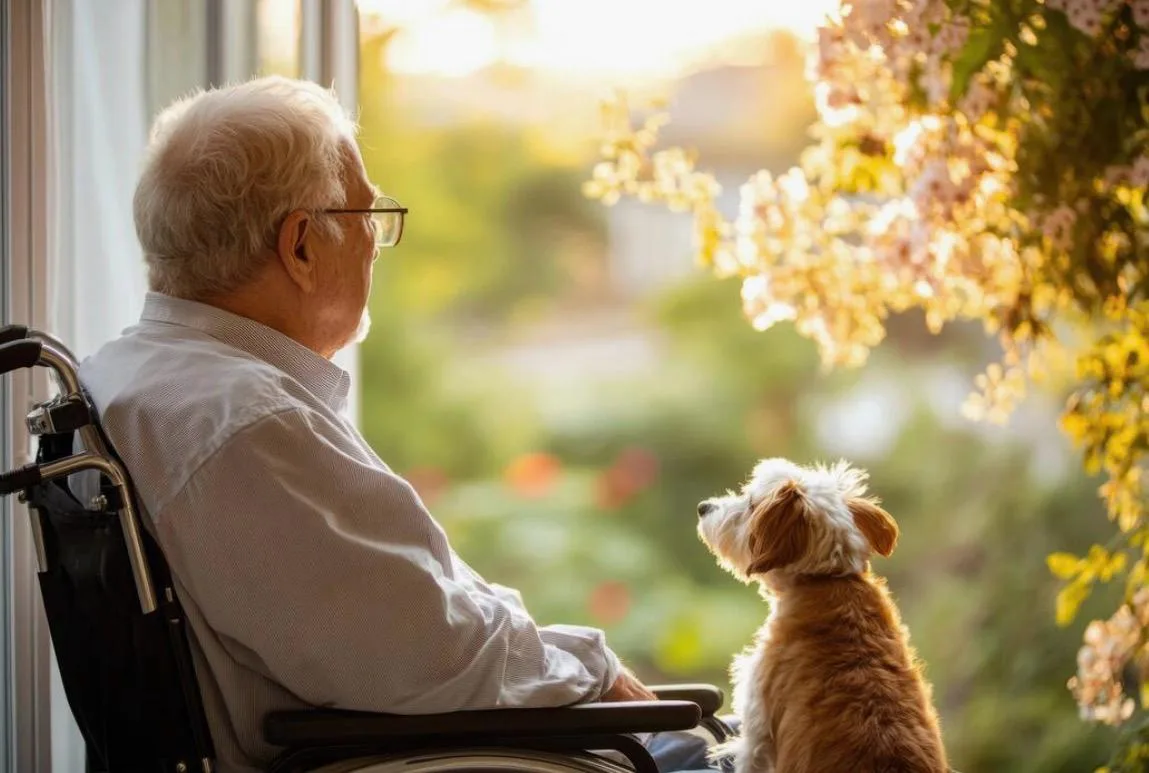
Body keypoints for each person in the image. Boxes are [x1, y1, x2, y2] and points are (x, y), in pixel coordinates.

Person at [79, 76, 728, 773]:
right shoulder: (241, 423)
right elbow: (428, 653)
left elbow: (405, 619)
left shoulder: (139, 376)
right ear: (300, 244)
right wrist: (592, 669)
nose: (374, 247)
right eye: (369, 219)